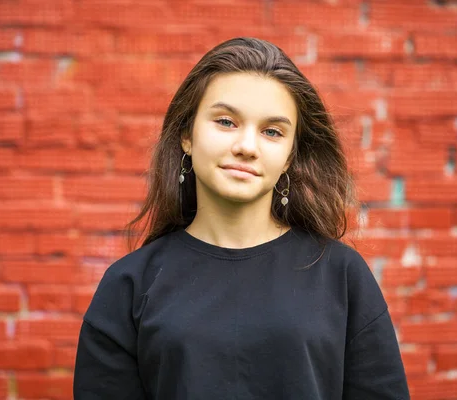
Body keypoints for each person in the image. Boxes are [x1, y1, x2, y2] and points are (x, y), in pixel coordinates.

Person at [73, 37, 409, 399]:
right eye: (226, 121)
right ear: (187, 134)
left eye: (272, 132)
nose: (247, 146)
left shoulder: (343, 276)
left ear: (290, 156)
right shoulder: (129, 287)